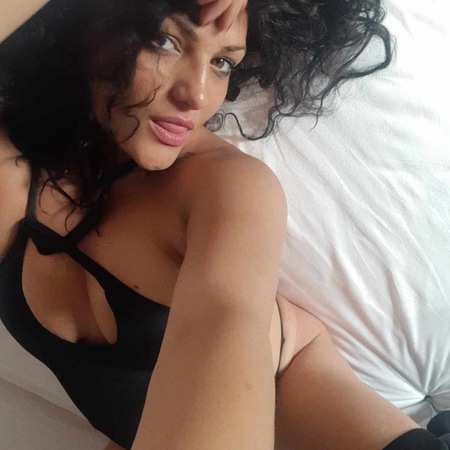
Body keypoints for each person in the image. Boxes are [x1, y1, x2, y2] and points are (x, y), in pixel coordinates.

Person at [0, 1, 447, 449]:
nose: (197, 95)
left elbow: (223, 320)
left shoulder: (226, 188)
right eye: (164, 41)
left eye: (221, 63)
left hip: (304, 394)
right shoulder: (15, 172)